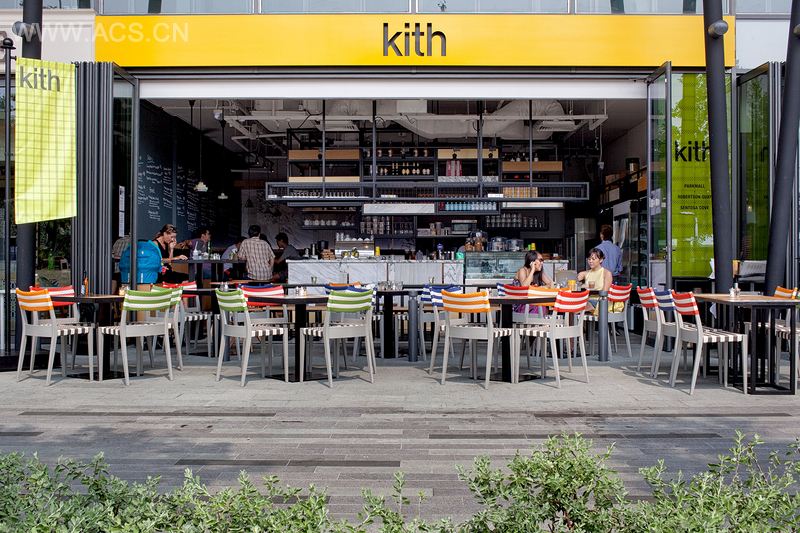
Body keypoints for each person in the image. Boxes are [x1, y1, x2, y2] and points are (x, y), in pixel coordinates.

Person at [578, 248, 614, 312]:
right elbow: (573, 282)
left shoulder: (606, 273)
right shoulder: (585, 273)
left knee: (576, 307)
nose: (590, 261)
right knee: (571, 304)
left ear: (601, 260)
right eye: (589, 259)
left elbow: (604, 294)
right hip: (586, 300)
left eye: (593, 259)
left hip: (600, 301)